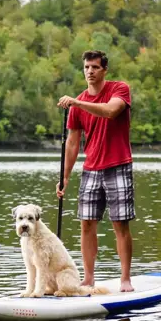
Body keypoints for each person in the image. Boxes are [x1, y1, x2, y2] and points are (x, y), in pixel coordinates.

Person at [56, 50, 135, 292]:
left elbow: (111, 111)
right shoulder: (78, 104)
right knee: (86, 224)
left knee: (119, 223)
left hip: (118, 165)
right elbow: (72, 142)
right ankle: (88, 278)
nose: (90, 71)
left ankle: (125, 279)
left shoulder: (119, 89)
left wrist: (78, 102)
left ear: (104, 70)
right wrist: (65, 177)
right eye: (86, 68)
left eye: (94, 67)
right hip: (91, 169)